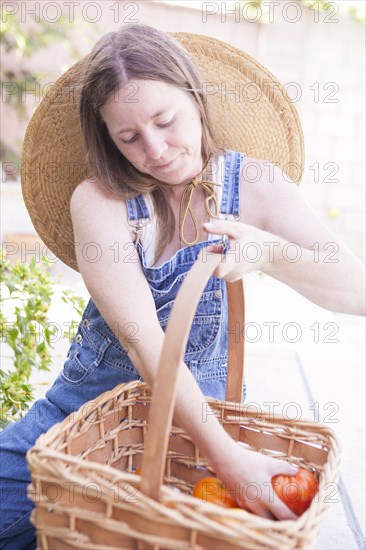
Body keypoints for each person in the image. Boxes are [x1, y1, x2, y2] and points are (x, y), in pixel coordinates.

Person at [1, 23, 364, 550]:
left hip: (191, 444)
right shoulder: (100, 200)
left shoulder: (255, 186)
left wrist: (270, 252)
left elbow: (356, 290)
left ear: (195, 99)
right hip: (76, 423)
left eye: (165, 121)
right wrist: (231, 460)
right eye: (128, 137)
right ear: (109, 139)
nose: (155, 148)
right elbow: (142, 340)